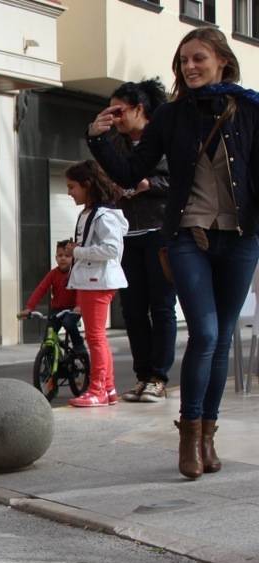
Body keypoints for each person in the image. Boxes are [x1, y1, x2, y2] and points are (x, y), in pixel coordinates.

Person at [86, 26, 259, 478]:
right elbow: (130, 171)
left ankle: (208, 434)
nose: (190, 67)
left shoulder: (250, 110)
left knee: (221, 338)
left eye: (198, 58)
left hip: (240, 238)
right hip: (186, 236)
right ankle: (188, 434)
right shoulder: (171, 117)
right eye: (184, 61)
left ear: (222, 59)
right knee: (203, 332)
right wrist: (100, 138)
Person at [104, 78, 177, 404]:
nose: (115, 118)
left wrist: (151, 183)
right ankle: (142, 375)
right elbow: (107, 174)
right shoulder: (116, 145)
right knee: (132, 310)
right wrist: (115, 189)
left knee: (161, 307)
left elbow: (181, 180)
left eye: (120, 111)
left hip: (160, 232)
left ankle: (159, 377)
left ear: (139, 108)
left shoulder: (164, 138)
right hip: (127, 233)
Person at [61, 160, 128, 409]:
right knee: (97, 337)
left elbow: (112, 248)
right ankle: (107, 388)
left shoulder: (103, 214)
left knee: (96, 337)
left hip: (96, 281)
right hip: (93, 280)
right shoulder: (93, 213)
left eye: (72, 187)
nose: (69, 192)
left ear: (87, 185)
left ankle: (98, 389)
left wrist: (79, 252)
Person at [17, 239, 86, 354]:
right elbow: (41, 289)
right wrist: (29, 307)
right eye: (60, 255)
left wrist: (78, 306)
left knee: (68, 323)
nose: (63, 258)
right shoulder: (53, 274)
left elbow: (80, 290)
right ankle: (50, 358)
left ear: (73, 257)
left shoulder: (75, 273)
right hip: (56, 310)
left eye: (67, 256)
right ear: (55, 258)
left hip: (72, 310)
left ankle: (79, 345)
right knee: (49, 336)